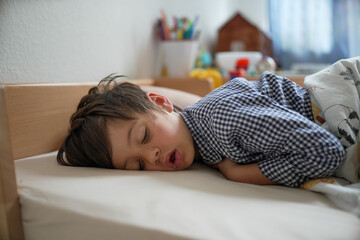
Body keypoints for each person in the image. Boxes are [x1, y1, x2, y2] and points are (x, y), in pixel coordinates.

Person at [57, 72, 345, 187]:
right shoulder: (201, 143)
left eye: (143, 136)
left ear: (162, 103)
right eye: (140, 166)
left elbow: (326, 152)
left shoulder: (225, 122)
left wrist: (241, 174)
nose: (153, 156)